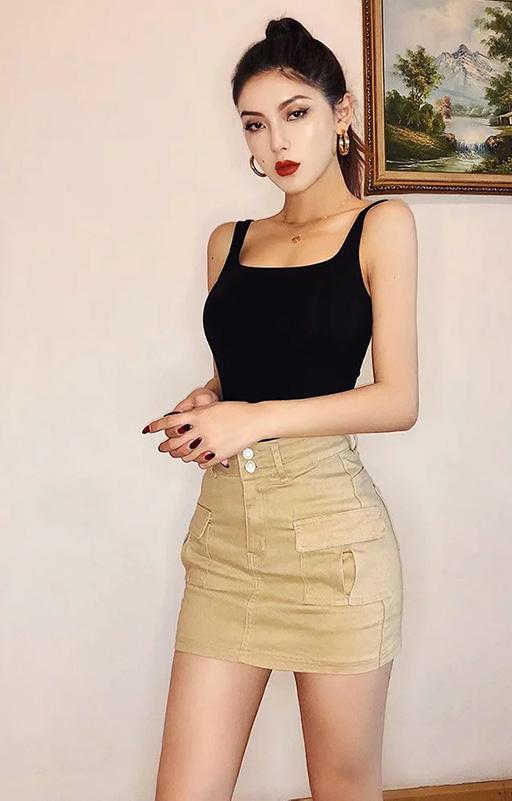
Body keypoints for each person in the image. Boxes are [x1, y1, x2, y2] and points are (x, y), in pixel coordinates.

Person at [143, 15, 418, 801]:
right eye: (255, 124)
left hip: (333, 543)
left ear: (342, 113)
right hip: (225, 542)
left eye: (296, 113)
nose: (276, 141)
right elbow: (248, 369)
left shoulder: (381, 225)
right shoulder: (228, 241)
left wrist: (253, 418)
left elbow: (397, 400)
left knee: (342, 787)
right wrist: (211, 401)